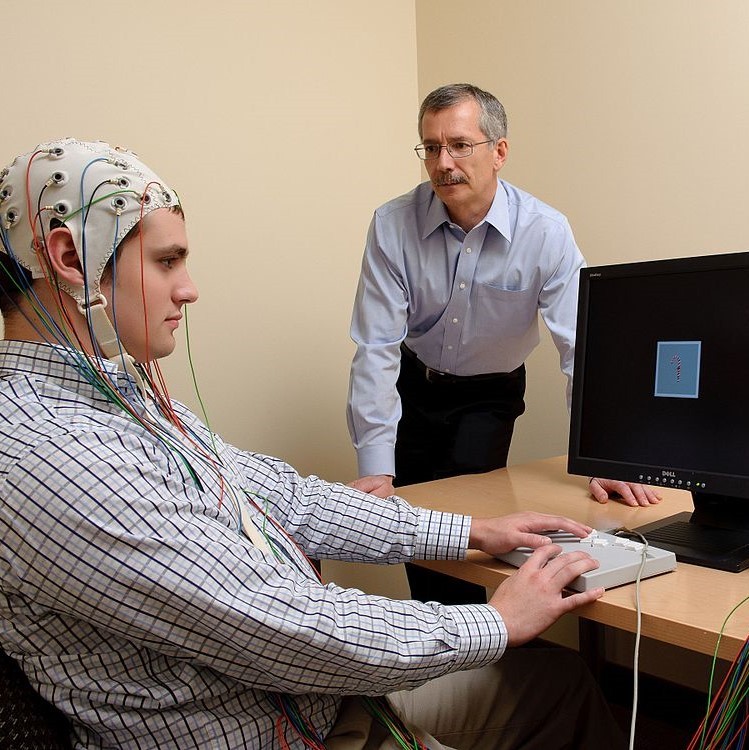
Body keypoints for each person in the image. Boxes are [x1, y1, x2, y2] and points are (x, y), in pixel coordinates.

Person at [0, 138, 626, 749]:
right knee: (542, 677)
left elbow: (289, 499)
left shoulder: (114, 400)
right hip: (296, 726)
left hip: (315, 701)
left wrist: (470, 531)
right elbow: (277, 627)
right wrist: (494, 623)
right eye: (167, 262)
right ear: (70, 257)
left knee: (562, 683)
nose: (188, 289)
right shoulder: (50, 450)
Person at [346, 83, 660, 604]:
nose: (443, 162)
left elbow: (581, 349)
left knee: (471, 528)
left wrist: (607, 457)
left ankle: (476, 639)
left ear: (500, 151)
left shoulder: (546, 233)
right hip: (413, 385)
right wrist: (375, 468)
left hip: (487, 396)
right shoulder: (391, 225)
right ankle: (430, 653)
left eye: (459, 145)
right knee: (409, 527)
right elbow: (376, 346)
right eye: (431, 147)